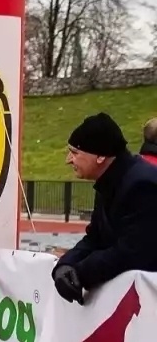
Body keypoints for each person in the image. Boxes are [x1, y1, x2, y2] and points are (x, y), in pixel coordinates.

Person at [53, 113, 157, 303]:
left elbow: (130, 252)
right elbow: (95, 237)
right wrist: (65, 265)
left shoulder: (142, 185)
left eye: (75, 153)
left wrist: (79, 272)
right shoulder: (110, 180)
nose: (69, 160)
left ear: (100, 156)